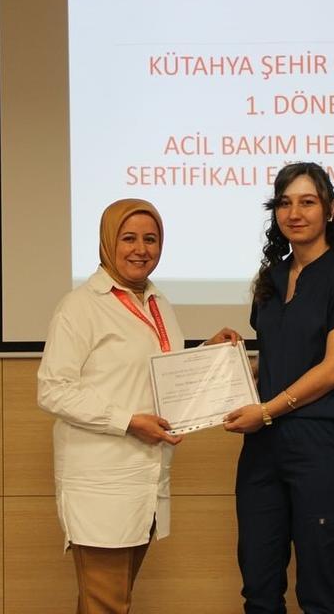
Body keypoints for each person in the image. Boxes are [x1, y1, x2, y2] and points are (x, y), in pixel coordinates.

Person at [37, 198, 238, 614]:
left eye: (151, 239)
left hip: (145, 480)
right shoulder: (80, 306)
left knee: (109, 603)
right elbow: (53, 389)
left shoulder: (158, 302)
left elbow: (155, 376)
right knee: (108, 604)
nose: (141, 249)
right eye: (128, 238)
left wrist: (208, 352)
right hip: (101, 483)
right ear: (108, 241)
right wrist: (128, 422)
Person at [223, 162, 334, 614]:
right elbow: (278, 359)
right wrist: (234, 367)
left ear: (329, 210)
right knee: (258, 590)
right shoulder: (270, 280)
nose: (294, 213)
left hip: (321, 447)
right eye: (284, 203)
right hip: (262, 450)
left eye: (307, 202)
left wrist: (268, 410)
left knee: (319, 594)